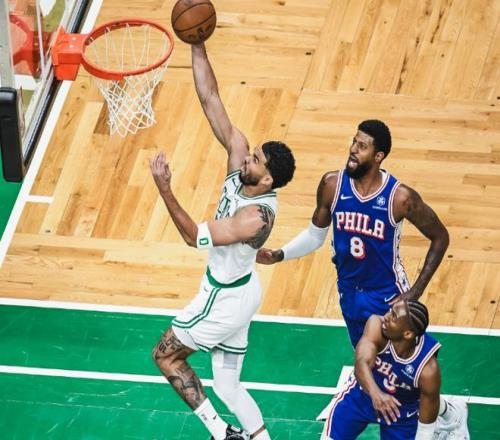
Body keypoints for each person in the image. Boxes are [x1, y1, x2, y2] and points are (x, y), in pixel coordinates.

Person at [150, 42, 296, 440]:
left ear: (268, 179)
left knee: (165, 356)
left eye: (256, 160)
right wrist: (197, 43)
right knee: (228, 385)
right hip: (244, 289)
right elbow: (210, 97)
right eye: (253, 153)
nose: (247, 157)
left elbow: (193, 237)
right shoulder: (240, 161)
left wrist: (165, 189)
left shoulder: (254, 218)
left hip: (224, 297)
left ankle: (220, 433)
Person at [257, 120, 450, 348]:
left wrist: (415, 291)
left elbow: (440, 237)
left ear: (378, 156)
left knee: (403, 363)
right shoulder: (332, 185)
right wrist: (279, 255)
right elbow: (315, 236)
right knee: (365, 359)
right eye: (354, 142)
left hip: (387, 295)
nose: (353, 149)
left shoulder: (399, 198)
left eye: (362, 146)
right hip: (349, 293)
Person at [322, 299, 469, 440]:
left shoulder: (427, 370)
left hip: (401, 413)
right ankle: (450, 411)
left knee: (427, 401)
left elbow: (425, 428)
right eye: (390, 311)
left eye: (393, 317)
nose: (386, 317)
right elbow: (361, 363)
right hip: (362, 396)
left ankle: (453, 414)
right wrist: (376, 394)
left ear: (408, 334)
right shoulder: (376, 325)